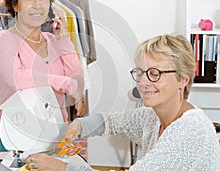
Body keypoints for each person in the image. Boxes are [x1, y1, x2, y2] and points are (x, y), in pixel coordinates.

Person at [25, 34, 220, 170]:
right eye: (140, 72)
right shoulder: (153, 117)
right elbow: (110, 122)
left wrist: (60, 168)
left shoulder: (189, 130)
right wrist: (78, 126)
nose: (143, 83)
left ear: (183, 79)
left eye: (154, 73)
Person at [0, 0, 86, 150]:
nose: (38, 5)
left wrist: (64, 39)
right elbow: (17, 79)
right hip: (21, 134)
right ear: (15, 5)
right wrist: (66, 83)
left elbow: (77, 80)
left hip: (57, 134)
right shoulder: (3, 39)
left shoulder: (53, 40)